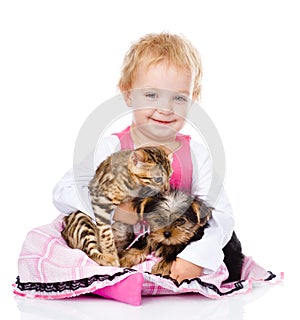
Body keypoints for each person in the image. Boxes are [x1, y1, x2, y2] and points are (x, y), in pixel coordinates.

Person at [53, 32, 234, 283]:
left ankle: (143, 282)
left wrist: (195, 257)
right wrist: (112, 209)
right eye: (151, 95)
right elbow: (64, 190)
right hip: (111, 250)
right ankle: (112, 282)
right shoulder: (112, 147)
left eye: (179, 98)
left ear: (193, 99)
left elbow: (221, 216)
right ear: (128, 95)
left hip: (167, 253)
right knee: (65, 248)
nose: (165, 108)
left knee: (210, 269)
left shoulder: (196, 156)